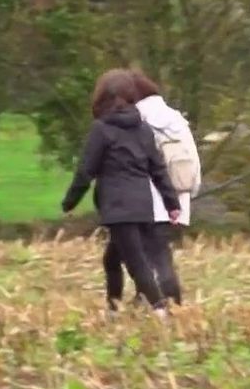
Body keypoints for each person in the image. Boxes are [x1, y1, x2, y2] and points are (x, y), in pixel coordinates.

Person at [62, 69, 181, 318]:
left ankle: (162, 313)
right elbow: (158, 169)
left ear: (101, 97)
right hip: (143, 203)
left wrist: (70, 202)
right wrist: (172, 203)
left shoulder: (101, 130)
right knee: (111, 260)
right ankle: (114, 310)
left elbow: (86, 171)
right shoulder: (143, 129)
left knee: (137, 264)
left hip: (117, 207)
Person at [127, 70, 200, 306]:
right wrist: (190, 192)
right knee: (158, 252)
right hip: (179, 196)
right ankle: (147, 300)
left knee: (155, 256)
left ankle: (169, 303)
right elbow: (193, 159)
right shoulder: (176, 119)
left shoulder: (137, 120)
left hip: (150, 200)